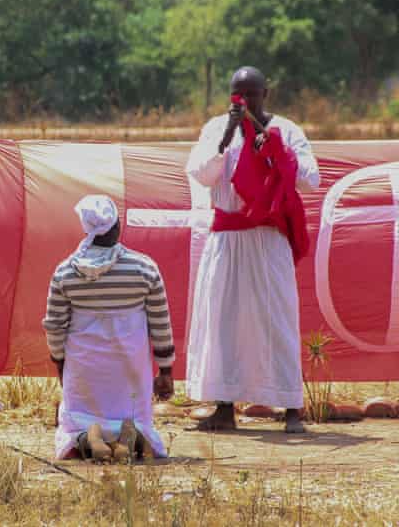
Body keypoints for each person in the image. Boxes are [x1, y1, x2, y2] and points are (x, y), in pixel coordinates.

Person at [185, 66, 320, 433]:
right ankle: (225, 407)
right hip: (228, 239)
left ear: (266, 94)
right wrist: (228, 136)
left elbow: (311, 177)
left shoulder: (287, 129)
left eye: (251, 93)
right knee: (223, 320)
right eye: (237, 94)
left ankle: (291, 407)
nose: (244, 101)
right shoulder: (216, 128)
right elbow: (201, 173)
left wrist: (273, 145)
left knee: (277, 319)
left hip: (267, 239)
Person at [43, 194, 176, 461]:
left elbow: (55, 326)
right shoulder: (144, 267)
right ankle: (130, 434)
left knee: (78, 419)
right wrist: (165, 369)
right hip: (129, 369)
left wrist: (60, 361)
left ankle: (87, 435)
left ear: (86, 229)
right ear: (117, 226)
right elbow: (160, 322)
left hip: (84, 368)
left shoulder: (65, 271)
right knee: (136, 418)